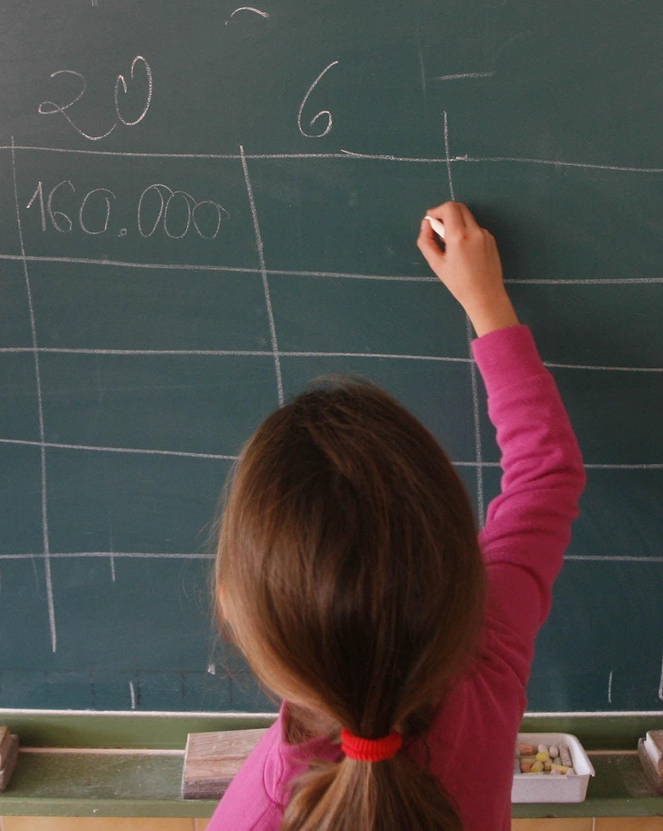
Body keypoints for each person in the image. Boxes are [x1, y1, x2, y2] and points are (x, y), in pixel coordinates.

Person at [209, 201, 586, 831]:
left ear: (232, 610)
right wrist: (486, 303)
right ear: (459, 573)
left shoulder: (258, 818)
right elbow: (545, 473)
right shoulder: (487, 660)